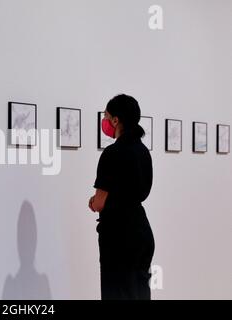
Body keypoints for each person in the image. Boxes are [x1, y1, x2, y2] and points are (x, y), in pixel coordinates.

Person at [89, 94, 155, 300]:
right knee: (139, 293)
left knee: (116, 293)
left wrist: (93, 201)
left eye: (106, 116)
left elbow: (99, 202)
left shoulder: (112, 153)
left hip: (118, 236)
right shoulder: (143, 151)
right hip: (141, 231)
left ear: (116, 120)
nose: (105, 121)